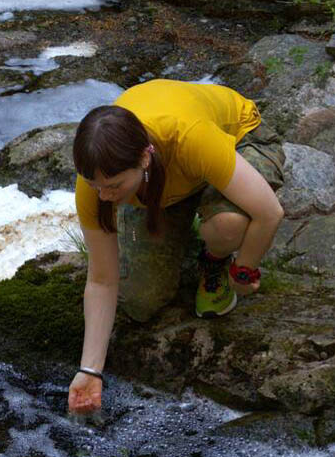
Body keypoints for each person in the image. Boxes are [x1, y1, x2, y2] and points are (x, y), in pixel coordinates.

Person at [66, 79, 286, 415]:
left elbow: (269, 213)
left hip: (241, 141)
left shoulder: (191, 136)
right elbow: (101, 280)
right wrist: (89, 370)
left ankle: (213, 259)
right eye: (96, 186)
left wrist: (245, 268)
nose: (104, 196)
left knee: (227, 226)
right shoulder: (97, 181)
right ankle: (186, 225)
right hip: (168, 180)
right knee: (141, 301)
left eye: (112, 187)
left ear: (143, 158)